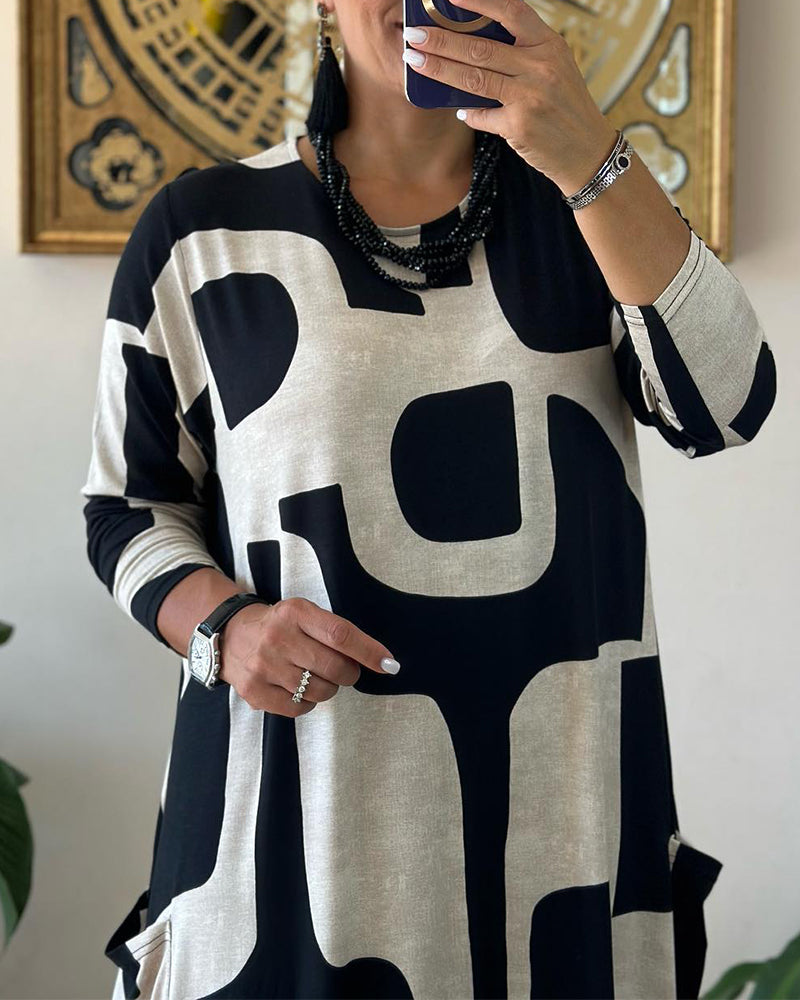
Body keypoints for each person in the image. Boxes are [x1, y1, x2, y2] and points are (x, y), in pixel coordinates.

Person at [79, 0, 777, 997]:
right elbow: (128, 508)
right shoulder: (201, 230)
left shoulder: (586, 211)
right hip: (288, 846)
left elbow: (725, 404)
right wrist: (226, 630)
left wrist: (587, 152)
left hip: (561, 844)